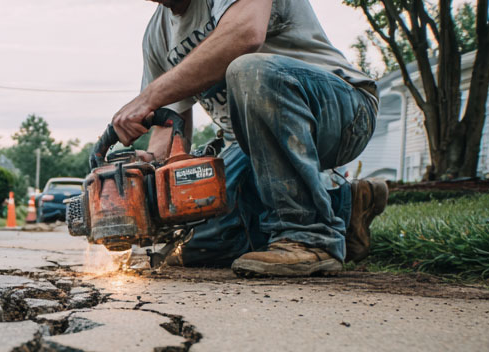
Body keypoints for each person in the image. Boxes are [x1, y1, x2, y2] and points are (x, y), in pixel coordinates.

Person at [112, 0, 389, 276]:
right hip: (247, 146)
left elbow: (245, 34)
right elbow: (168, 128)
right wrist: (149, 171)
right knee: (192, 243)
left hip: (340, 112)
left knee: (250, 71)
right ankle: (346, 207)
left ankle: (307, 237)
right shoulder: (157, 35)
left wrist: (148, 98)